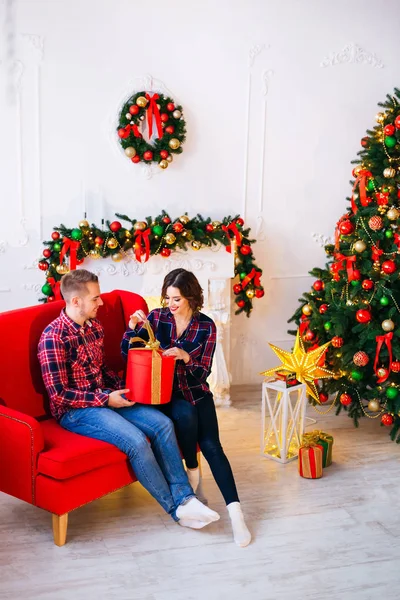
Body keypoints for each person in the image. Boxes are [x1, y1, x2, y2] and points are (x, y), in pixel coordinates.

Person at [37, 269, 220, 530]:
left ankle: (186, 498)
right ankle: (176, 510)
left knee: (162, 425)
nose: (101, 303)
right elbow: (59, 394)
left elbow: (100, 371)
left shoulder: (93, 327)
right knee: (136, 441)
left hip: (106, 397)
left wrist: (126, 389)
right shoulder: (53, 337)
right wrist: (105, 399)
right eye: (96, 298)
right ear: (76, 301)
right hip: (76, 411)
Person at [121, 268, 251, 547]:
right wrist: (132, 329)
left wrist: (185, 357)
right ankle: (193, 470)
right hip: (166, 396)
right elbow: (128, 353)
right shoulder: (156, 318)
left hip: (196, 391)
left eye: (176, 299)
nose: (170, 304)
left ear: (191, 298)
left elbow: (201, 375)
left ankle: (236, 515)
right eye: (167, 298)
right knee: (184, 415)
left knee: (213, 447)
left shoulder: (206, 326)